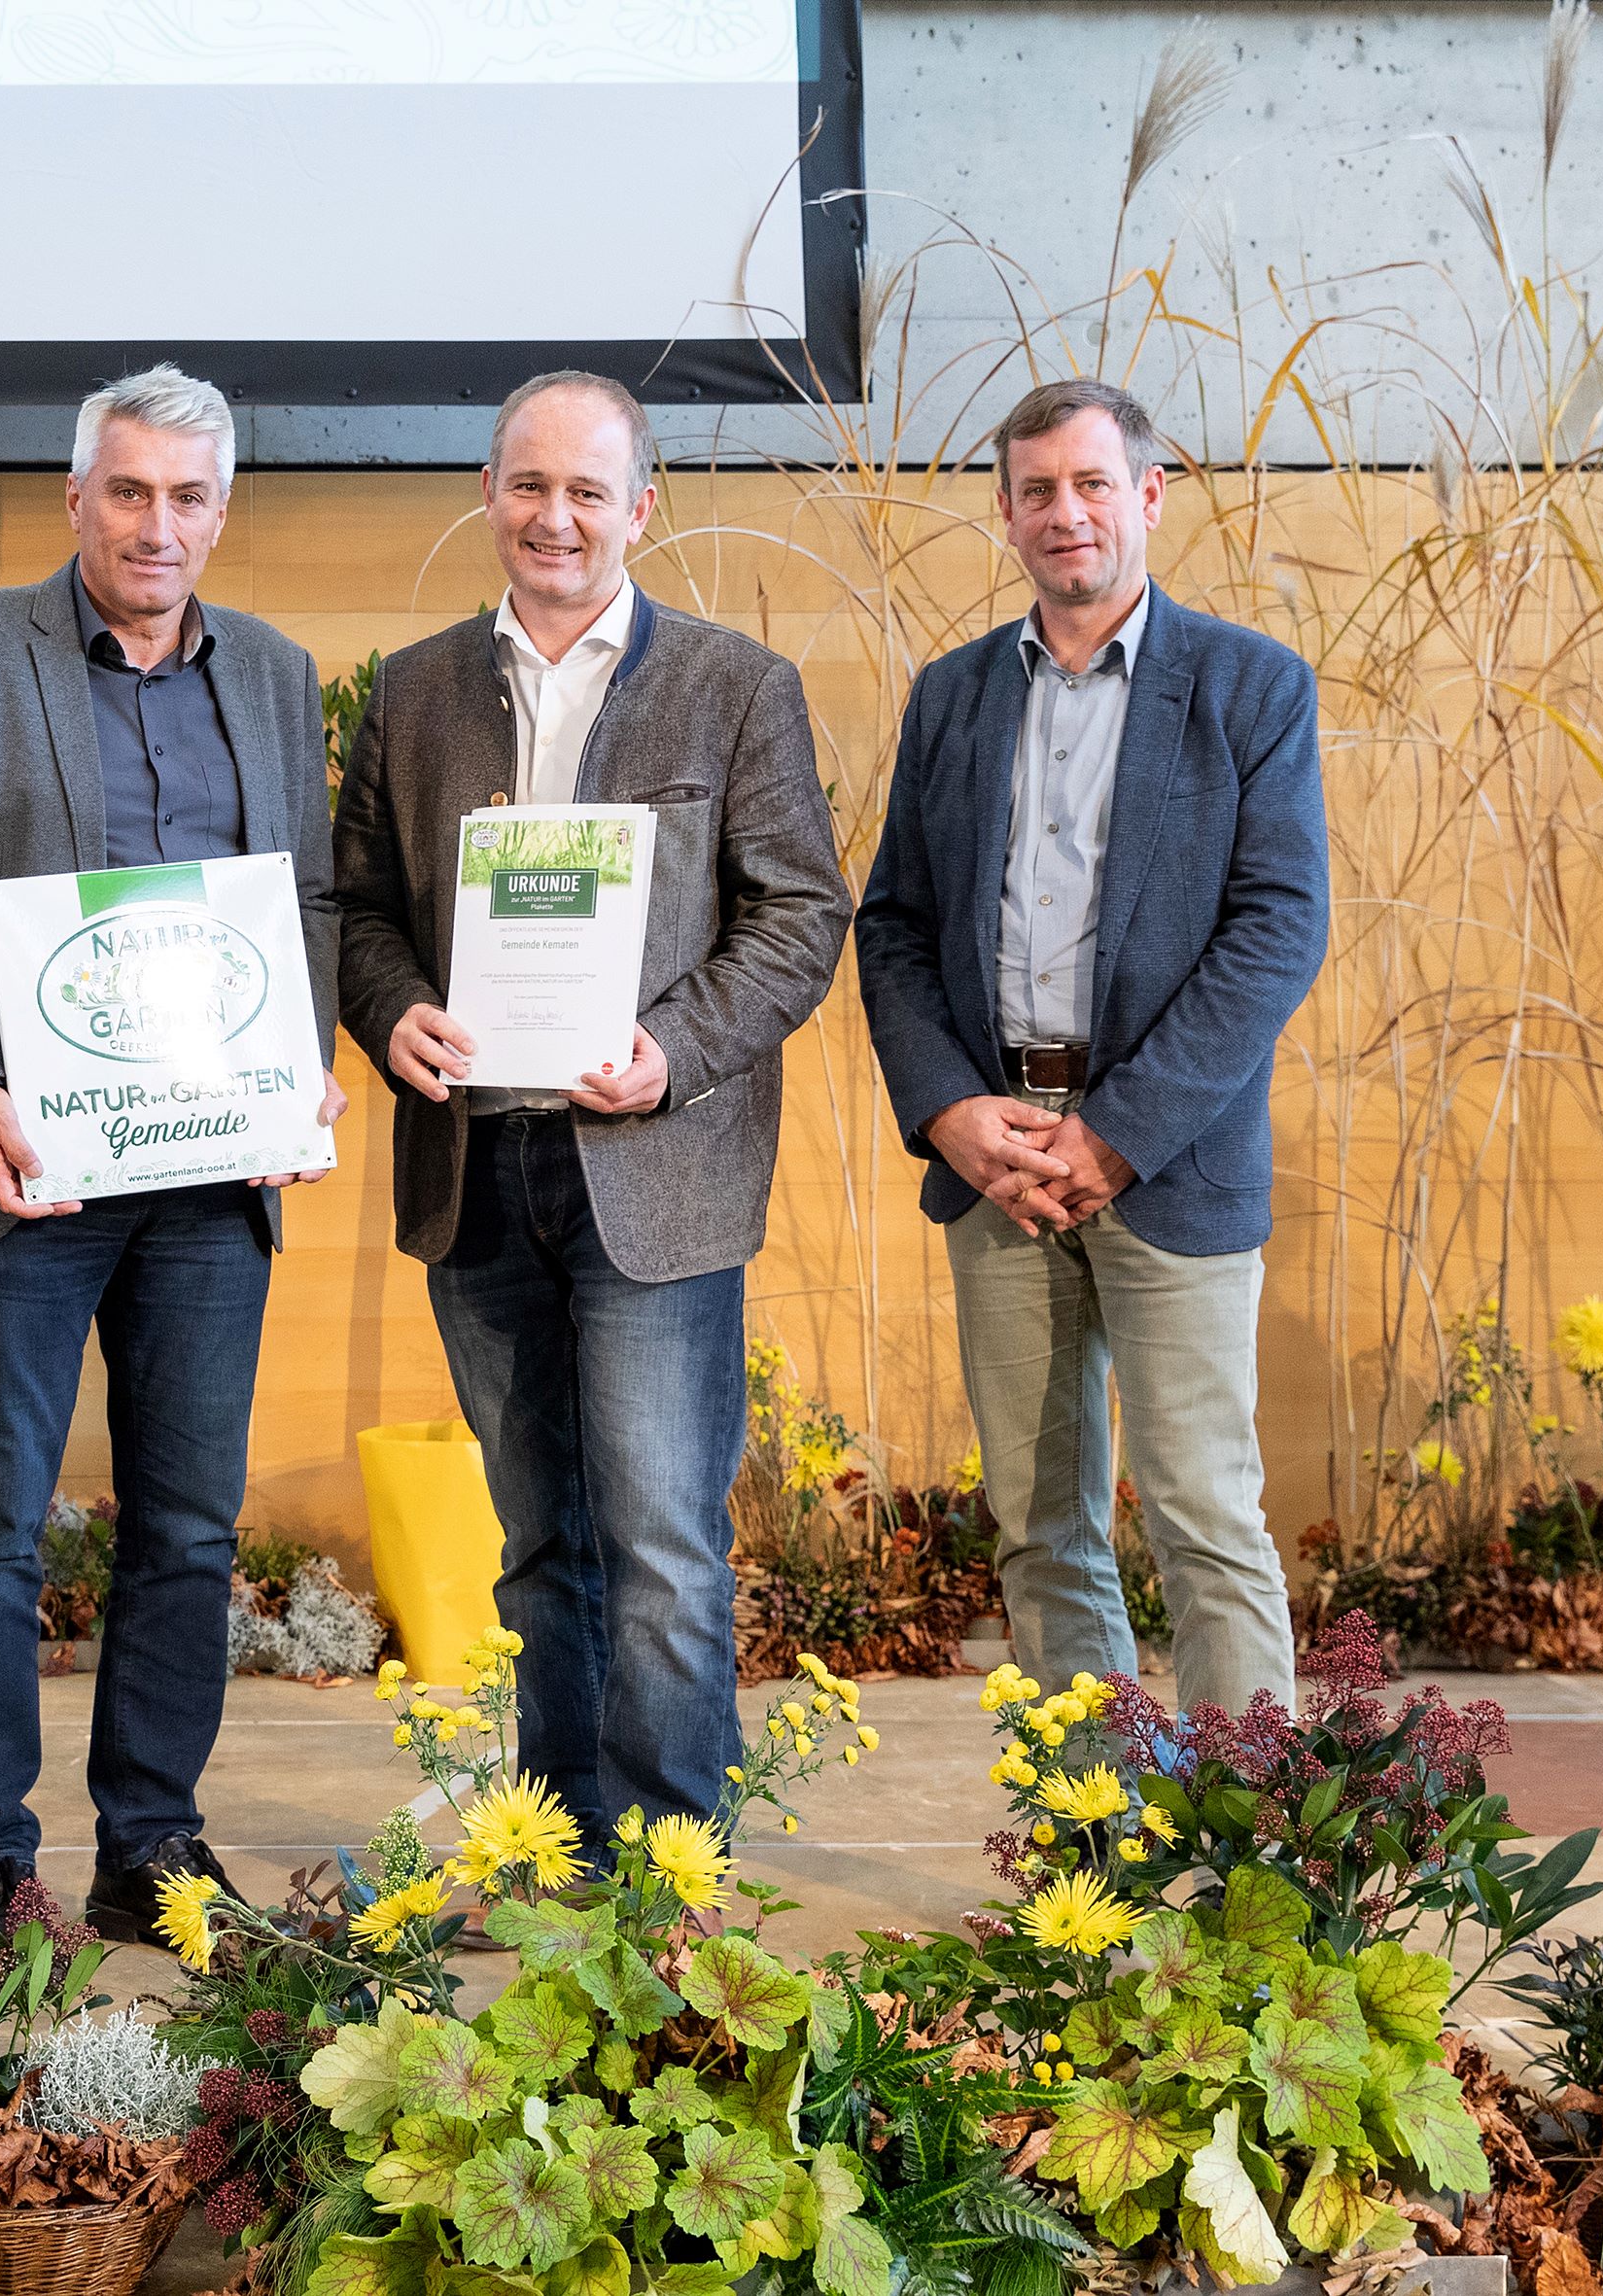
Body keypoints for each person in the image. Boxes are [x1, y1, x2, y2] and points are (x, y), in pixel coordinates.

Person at [0, 364, 343, 1936]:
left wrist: (299, 1067)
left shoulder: (270, 670)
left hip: (207, 1183)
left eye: (190, 497)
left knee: (187, 1525)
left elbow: (305, 910)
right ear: (75, 499)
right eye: (129, 491)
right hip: (28, 1175)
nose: (157, 524)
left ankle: (153, 1846)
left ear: (222, 511)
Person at [331, 371, 851, 1846]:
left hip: (654, 1170)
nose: (553, 517)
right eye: (526, 486)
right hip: (476, 1173)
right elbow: (359, 905)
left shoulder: (737, 685)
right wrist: (388, 1010)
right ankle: (562, 1856)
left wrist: (676, 1049)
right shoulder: (416, 689)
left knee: (667, 1548)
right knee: (538, 1542)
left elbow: (801, 912)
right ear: (488, 496)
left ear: (640, 508)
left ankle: (676, 1882)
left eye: (586, 491)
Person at [854, 375, 1328, 1714]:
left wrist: (1115, 1133)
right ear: (1006, 515)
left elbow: (1279, 931)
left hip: (1167, 1165)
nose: (1068, 512)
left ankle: (1256, 1870)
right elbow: (890, 925)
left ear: (1151, 497)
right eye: (1038, 490)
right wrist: (952, 1112)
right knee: (1041, 1528)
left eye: (1093, 483)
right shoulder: (950, 698)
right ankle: (1095, 1860)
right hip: (995, 1162)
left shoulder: (1250, 690)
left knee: (1203, 1521)